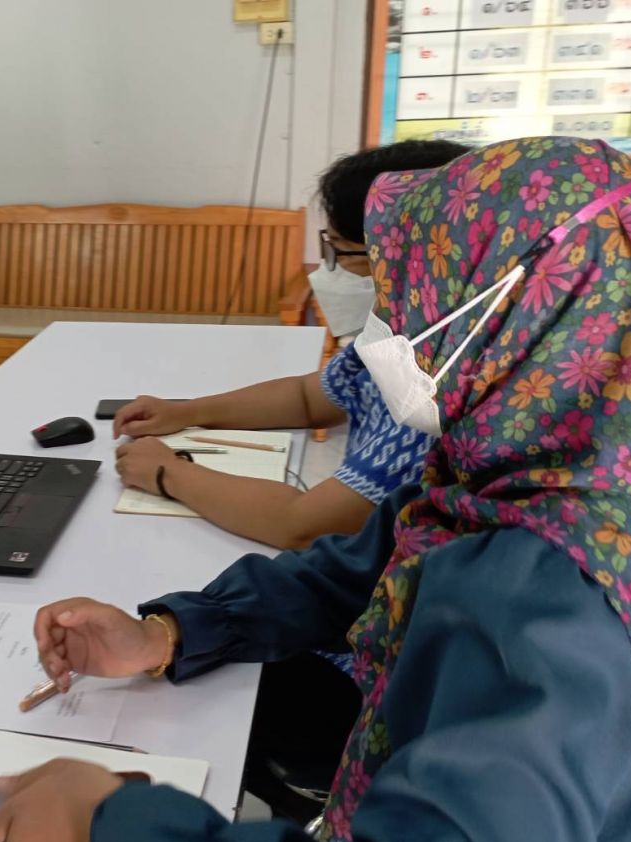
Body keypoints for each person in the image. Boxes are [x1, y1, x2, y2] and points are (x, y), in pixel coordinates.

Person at [0, 137, 631, 842]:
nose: (393, 323)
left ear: (522, 319)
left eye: (419, 292)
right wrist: (171, 632)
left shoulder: (546, 589)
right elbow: (355, 569)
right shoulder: (571, 474)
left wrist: (114, 833)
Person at [113, 140, 469, 550]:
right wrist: (187, 412)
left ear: (409, 253)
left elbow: (304, 526)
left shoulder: (439, 387)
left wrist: (167, 473)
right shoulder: (402, 334)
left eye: (341, 252)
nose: (332, 269)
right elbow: (308, 397)